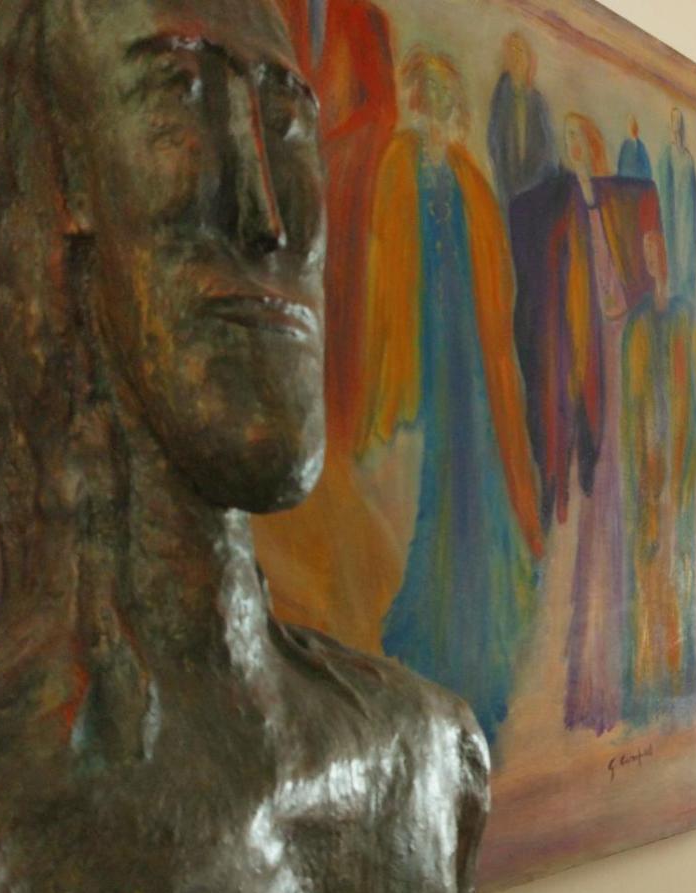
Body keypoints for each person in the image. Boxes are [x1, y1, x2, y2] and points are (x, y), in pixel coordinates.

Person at [0, 3, 488, 893]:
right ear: (61, 176)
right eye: (179, 96)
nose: (271, 214)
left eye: (287, 116)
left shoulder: (431, 751)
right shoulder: (12, 813)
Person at [361, 49, 544, 749]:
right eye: (423, 99)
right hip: (431, 347)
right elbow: (387, 259)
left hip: (470, 350)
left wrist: (483, 333)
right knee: (443, 478)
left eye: (435, 99)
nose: (428, 111)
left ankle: (476, 626)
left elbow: (495, 275)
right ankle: (436, 619)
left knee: (476, 478)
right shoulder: (402, 163)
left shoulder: (468, 177)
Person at [253, 0, 401, 652]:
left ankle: (330, 456)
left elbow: (382, 111)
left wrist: (335, 147)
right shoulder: (273, 11)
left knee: (336, 349)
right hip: (283, 208)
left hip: (342, 202)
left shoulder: (363, 21)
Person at [509, 113, 663, 733]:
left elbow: (635, 282)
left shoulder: (620, 206)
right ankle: (585, 682)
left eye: (582, 142)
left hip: (622, 362)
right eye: (569, 143)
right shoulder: (558, 211)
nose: (575, 152)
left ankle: (612, 679)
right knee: (593, 524)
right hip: (588, 367)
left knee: (617, 519)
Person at [619, 232, 696, 718]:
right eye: (648, 254)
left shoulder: (685, 322)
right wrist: (639, 470)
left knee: (678, 567)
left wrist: (684, 476)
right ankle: (646, 674)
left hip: (677, 472)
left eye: (661, 253)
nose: (654, 261)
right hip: (645, 474)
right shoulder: (636, 327)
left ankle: (674, 672)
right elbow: (630, 406)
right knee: (645, 565)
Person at [486, 31, 557, 208]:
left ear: (529, 60)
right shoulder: (500, 99)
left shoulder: (538, 102)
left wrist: (540, 187)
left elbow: (548, 149)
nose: (516, 57)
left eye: (520, 51)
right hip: (508, 190)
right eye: (511, 51)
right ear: (506, 60)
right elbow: (494, 143)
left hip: (536, 191)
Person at [656, 106, 696, 302]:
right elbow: (664, 193)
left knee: (687, 255)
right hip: (672, 217)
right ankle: (675, 294)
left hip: (687, 218)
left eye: (679, 121)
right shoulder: (666, 156)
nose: (677, 125)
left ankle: (687, 296)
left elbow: (693, 194)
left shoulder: (688, 158)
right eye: (674, 120)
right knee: (673, 255)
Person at [617, 114, 653, 179]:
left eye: (634, 125)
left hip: (639, 182)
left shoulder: (641, 146)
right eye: (630, 125)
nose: (632, 127)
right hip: (626, 182)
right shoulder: (625, 146)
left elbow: (647, 170)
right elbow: (620, 168)